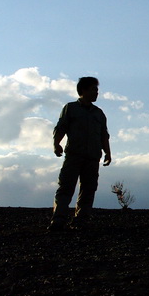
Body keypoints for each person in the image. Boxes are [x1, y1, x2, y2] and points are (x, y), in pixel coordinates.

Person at [48, 76, 111, 232]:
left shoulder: (99, 113)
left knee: (88, 189)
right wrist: (56, 144)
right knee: (65, 188)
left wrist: (108, 153)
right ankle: (58, 220)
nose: (96, 93)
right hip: (74, 155)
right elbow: (61, 127)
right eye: (93, 89)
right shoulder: (71, 108)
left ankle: (81, 221)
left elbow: (104, 135)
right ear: (83, 90)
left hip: (93, 157)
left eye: (97, 90)